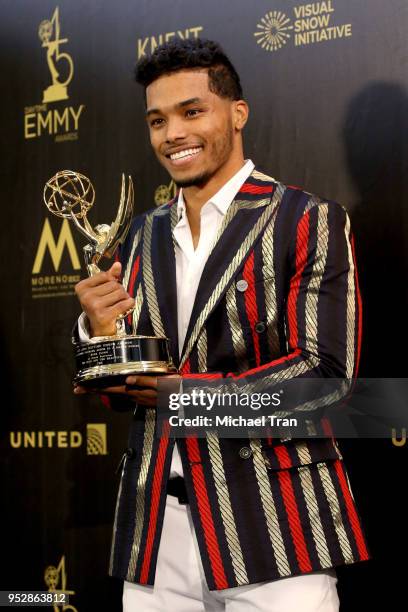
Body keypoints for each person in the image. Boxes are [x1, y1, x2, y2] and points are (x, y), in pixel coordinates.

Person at [74, 39, 369, 612]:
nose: (172, 134)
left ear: (237, 114)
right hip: (157, 536)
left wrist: (185, 398)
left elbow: (325, 376)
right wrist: (97, 333)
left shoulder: (305, 219)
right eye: (157, 120)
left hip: (275, 533)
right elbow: (116, 388)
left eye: (192, 111)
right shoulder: (140, 236)